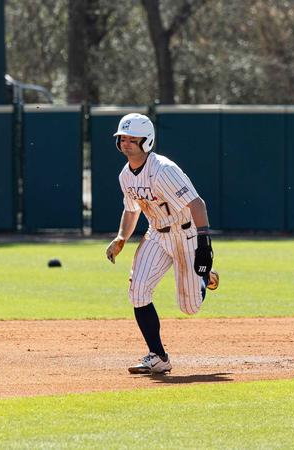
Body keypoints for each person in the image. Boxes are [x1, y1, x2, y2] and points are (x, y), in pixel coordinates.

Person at [105, 113, 219, 375]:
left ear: (147, 141)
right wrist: (122, 237)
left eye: (133, 139)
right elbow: (132, 209)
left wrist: (203, 240)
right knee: (137, 291)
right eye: (123, 138)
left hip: (185, 233)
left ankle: (205, 276)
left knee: (189, 307)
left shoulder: (164, 170)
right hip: (156, 234)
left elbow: (197, 203)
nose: (126, 143)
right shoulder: (126, 175)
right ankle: (158, 356)